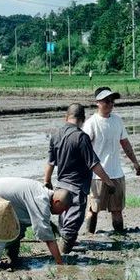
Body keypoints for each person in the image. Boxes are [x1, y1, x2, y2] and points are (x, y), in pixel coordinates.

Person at [44, 103, 118, 254]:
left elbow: (50, 162)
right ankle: (63, 256)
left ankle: (62, 246)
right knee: (72, 226)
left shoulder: (56, 135)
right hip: (76, 188)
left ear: (66, 117)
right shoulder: (81, 137)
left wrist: (47, 181)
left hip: (60, 187)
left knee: (64, 221)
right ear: (83, 119)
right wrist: (108, 182)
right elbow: (94, 164)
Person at [83, 87, 140, 234]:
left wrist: (135, 162)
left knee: (117, 210)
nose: (110, 103)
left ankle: (120, 237)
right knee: (93, 210)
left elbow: (125, 143)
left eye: (112, 101)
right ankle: (90, 237)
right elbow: (83, 150)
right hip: (97, 176)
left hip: (116, 173)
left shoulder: (117, 120)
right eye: (106, 101)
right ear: (98, 102)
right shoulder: (91, 123)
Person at [0, 178, 72, 266]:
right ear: (57, 202)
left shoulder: (42, 193)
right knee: (3, 225)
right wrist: (60, 263)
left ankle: (12, 257)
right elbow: (46, 235)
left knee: (18, 226)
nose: (61, 213)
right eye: (63, 210)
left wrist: (49, 224)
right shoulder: (41, 200)